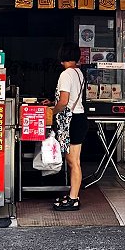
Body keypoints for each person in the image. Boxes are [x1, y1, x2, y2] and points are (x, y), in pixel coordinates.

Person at [52, 41, 86, 211]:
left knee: (73, 162)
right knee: (75, 161)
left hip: (71, 120)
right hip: (79, 118)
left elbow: (64, 102)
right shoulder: (79, 73)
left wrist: (52, 111)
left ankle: (73, 199)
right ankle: (74, 195)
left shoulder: (66, 74)